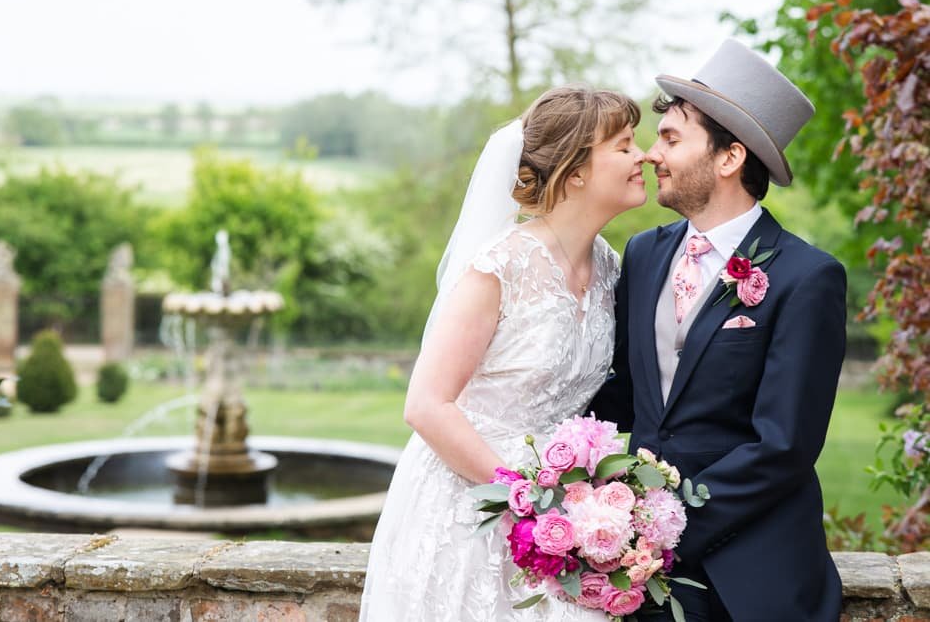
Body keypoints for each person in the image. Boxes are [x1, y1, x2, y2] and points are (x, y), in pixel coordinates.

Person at [360, 85, 647, 621]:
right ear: (576, 169)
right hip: (465, 507)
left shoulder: (611, 269)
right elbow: (426, 405)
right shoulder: (500, 266)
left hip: (561, 513)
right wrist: (522, 498)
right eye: (625, 145)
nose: (643, 156)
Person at [588, 39, 846, 621]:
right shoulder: (644, 254)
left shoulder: (808, 278)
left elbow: (783, 445)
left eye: (672, 138)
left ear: (729, 158)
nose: (653, 155)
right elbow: (625, 397)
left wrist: (665, 524)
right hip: (643, 580)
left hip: (755, 577)